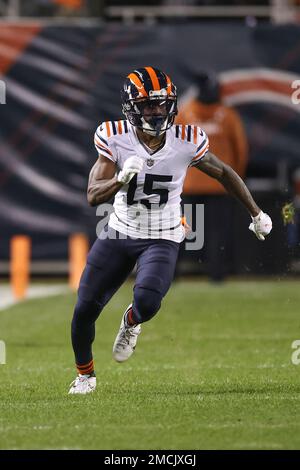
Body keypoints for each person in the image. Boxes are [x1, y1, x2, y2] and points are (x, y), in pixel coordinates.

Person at [68, 66, 272, 394]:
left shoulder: (187, 140)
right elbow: (93, 195)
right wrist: (119, 179)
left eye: (162, 104)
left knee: (148, 302)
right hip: (119, 231)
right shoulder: (114, 135)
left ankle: (130, 323)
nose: (157, 111)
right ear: (132, 107)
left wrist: (256, 211)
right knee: (84, 309)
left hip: (162, 234)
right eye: (149, 104)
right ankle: (85, 375)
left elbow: (224, 173)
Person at [177, 71, 249, 281]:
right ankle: (217, 276)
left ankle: (170, 274)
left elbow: (171, 148)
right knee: (218, 233)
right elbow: (241, 151)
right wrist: (236, 180)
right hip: (220, 185)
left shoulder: (186, 112)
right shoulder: (228, 115)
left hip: (189, 184)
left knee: (179, 230)